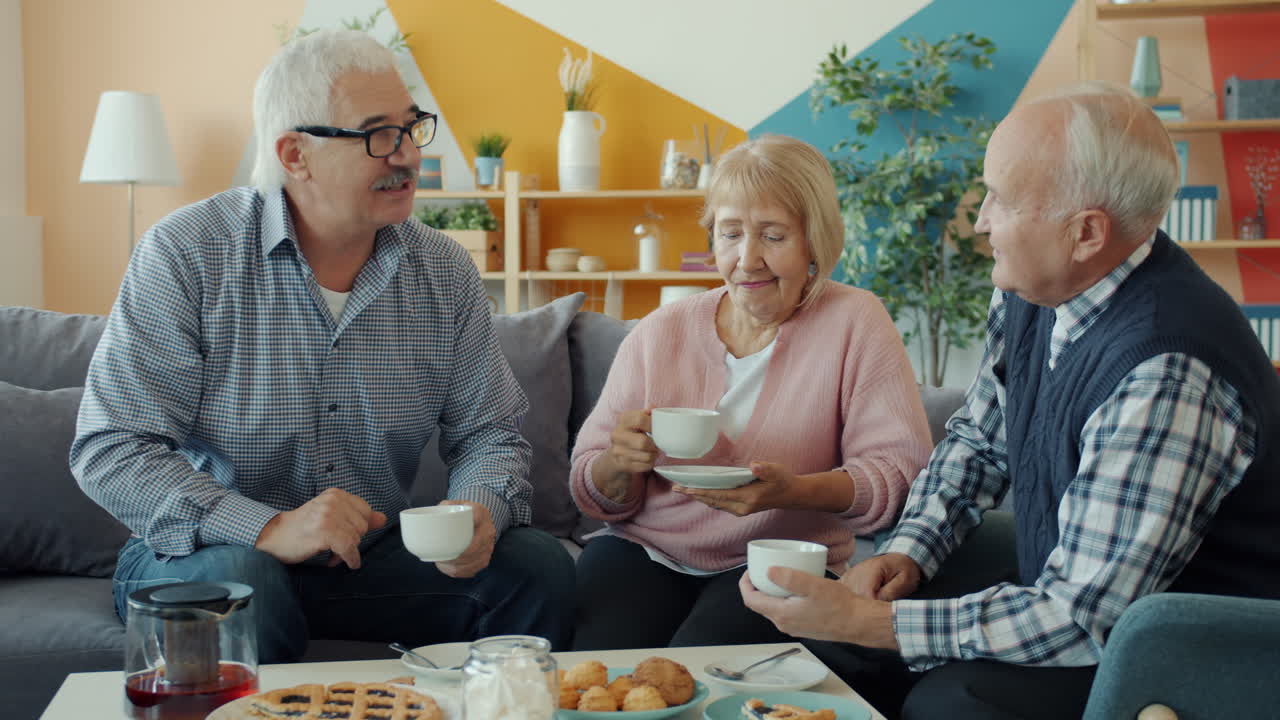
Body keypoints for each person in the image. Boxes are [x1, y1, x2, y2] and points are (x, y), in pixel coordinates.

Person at [741, 83, 1280, 719]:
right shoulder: (1037, 285)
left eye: (1001, 199)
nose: (980, 220)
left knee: (950, 702)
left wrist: (873, 624)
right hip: (1079, 608)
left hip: (1188, 653)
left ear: (1084, 233)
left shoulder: (1168, 370)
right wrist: (905, 554)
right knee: (814, 656)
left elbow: (1081, 619)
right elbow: (977, 441)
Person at [70, 29, 574, 660]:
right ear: (294, 154)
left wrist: (480, 507)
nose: (407, 157)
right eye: (376, 135)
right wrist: (270, 528)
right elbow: (112, 448)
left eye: (410, 127)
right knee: (247, 585)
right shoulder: (187, 254)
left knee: (537, 566)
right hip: (203, 556)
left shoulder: (442, 270)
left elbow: (489, 434)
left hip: (367, 560)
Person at [568, 134, 933, 650]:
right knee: (601, 670)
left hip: (779, 556)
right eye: (731, 233)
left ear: (815, 242)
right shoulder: (661, 330)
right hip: (644, 550)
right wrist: (618, 463)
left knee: (703, 665)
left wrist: (794, 492)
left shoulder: (856, 321)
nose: (747, 259)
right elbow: (590, 484)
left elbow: (901, 475)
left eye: (774, 236)